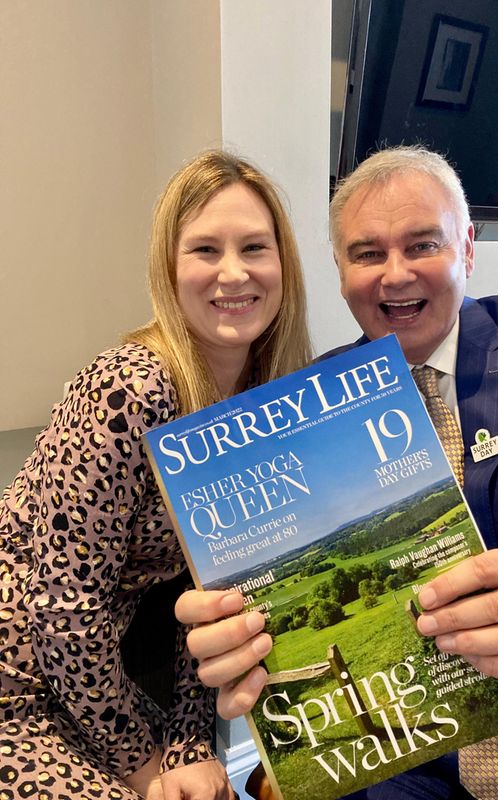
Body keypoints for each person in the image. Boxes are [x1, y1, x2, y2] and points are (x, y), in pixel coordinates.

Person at [175, 145, 498, 800]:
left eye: (423, 246)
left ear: (468, 248)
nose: (395, 276)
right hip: (399, 750)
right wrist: (240, 627)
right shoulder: (309, 401)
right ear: (340, 272)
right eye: (367, 254)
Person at [0, 150, 312, 800]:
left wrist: (192, 749)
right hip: (20, 677)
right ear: (169, 269)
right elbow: (62, 612)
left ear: (284, 265)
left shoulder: (263, 404)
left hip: (98, 685)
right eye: (204, 249)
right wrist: (151, 773)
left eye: (255, 247)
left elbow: (207, 594)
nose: (233, 272)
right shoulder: (130, 387)